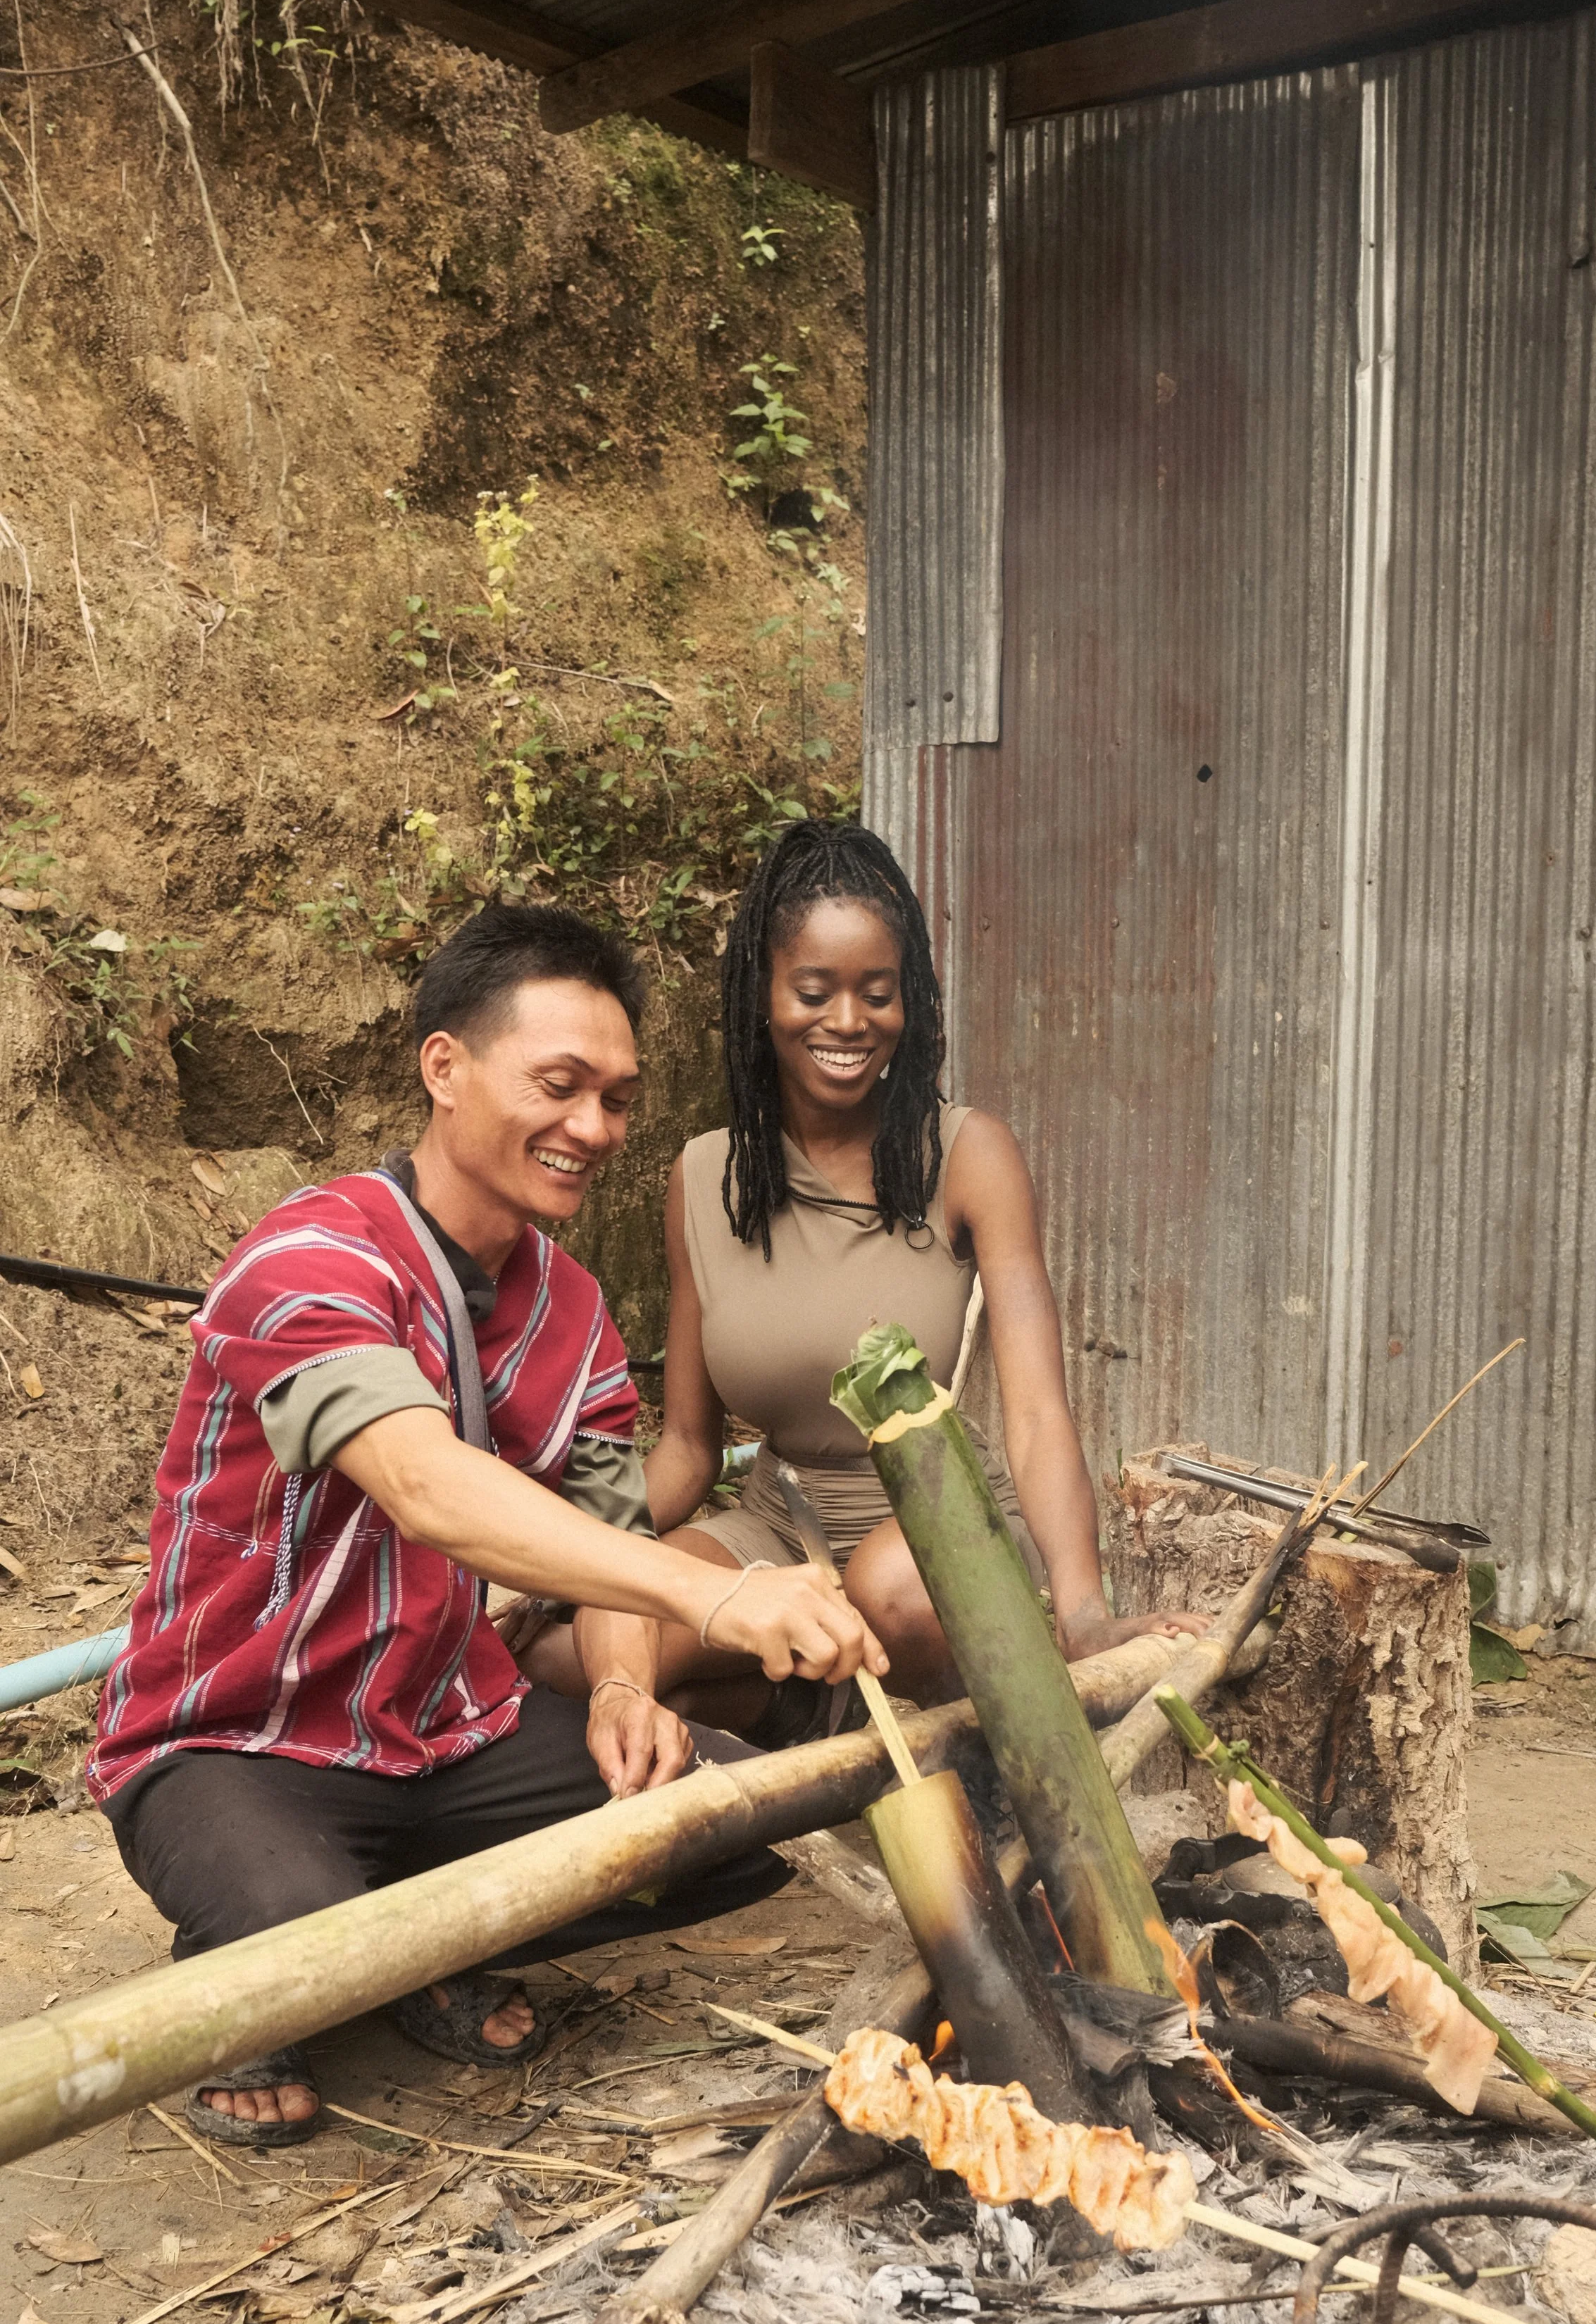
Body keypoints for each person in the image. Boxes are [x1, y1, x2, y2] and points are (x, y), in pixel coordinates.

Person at [87, 903, 880, 2148]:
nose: (594, 1128)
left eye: (617, 1099)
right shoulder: (312, 1259)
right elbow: (424, 1483)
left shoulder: (568, 1302)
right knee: (296, 1919)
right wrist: (715, 1597)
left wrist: (623, 1684)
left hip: (448, 1732)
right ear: (443, 1067)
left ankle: (412, 1935)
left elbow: (611, 1513)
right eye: (560, 1085)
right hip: (244, 1743)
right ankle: (287, 1957)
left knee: (736, 1820)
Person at [633, 818, 1202, 1735]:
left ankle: (845, 1686)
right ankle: (810, 1702)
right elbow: (689, 1450)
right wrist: (570, 1560)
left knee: (889, 1590)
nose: (850, 1022)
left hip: (940, 1530)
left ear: (913, 1000)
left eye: (878, 993)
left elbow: (1037, 1413)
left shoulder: (970, 1155)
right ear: (760, 998)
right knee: (591, 1638)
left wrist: (1085, 1611)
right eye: (814, 991)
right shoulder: (705, 1178)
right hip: (780, 1530)